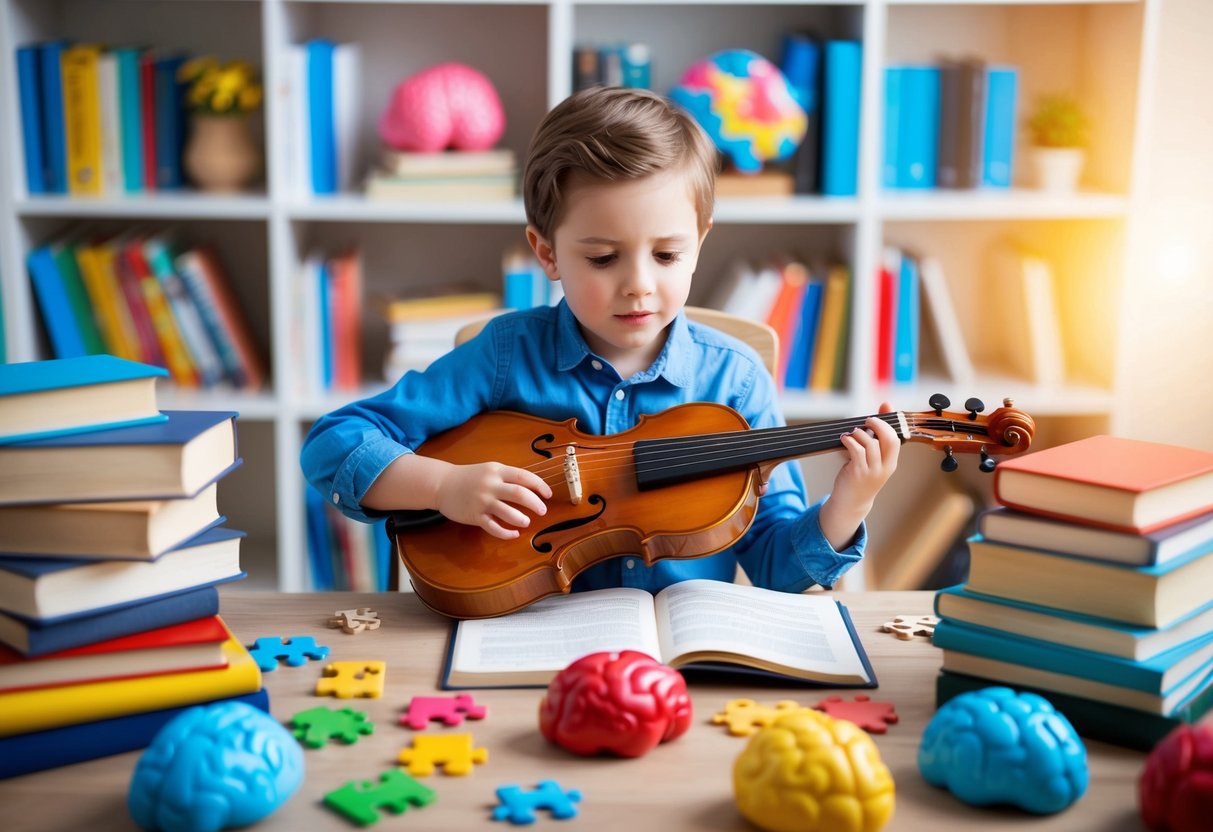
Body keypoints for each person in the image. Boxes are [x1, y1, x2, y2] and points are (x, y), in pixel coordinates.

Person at [301, 86, 900, 594]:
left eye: (667, 254)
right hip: (526, 638)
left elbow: (776, 569)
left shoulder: (735, 382)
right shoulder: (506, 354)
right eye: (604, 257)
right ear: (547, 253)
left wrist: (850, 503)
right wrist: (445, 486)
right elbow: (332, 443)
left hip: (674, 673)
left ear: (700, 240)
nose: (639, 286)